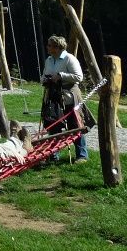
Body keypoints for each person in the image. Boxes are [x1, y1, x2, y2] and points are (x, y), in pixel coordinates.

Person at [41, 35, 88, 163]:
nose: (48, 47)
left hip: (70, 96)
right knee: (53, 125)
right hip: (54, 96)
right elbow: (44, 75)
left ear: (58, 47)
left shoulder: (69, 58)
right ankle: (53, 156)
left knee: (75, 124)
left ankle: (82, 155)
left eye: (50, 45)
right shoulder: (49, 60)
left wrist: (61, 76)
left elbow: (79, 77)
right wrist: (45, 80)